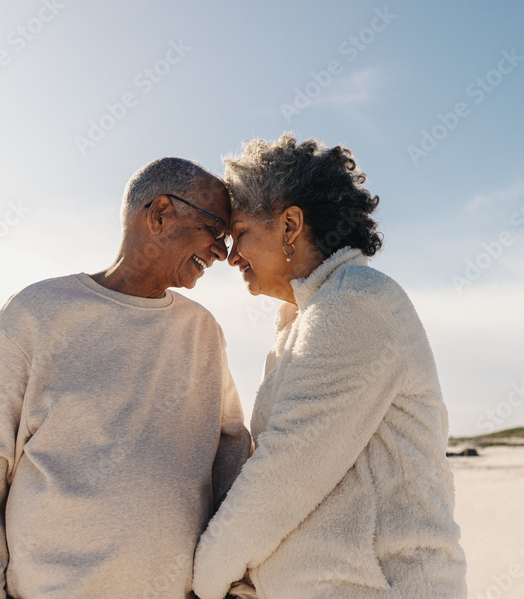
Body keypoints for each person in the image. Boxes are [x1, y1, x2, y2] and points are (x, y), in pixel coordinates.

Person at [0, 158, 252, 598]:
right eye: (215, 229)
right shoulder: (33, 316)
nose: (222, 252)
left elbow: (233, 465)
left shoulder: (204, 334)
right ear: (159, 214)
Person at [192, 135, 468, 599]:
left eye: (239, 234)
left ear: (290, 225)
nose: (230, 255)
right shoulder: (307, 318)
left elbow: (287, 472)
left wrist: (205, 581)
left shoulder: (355, 304)